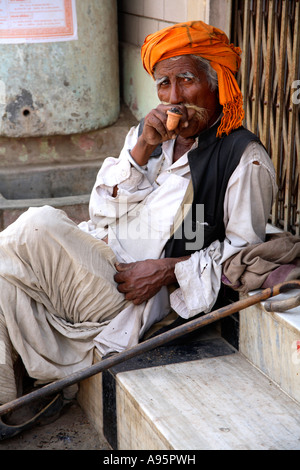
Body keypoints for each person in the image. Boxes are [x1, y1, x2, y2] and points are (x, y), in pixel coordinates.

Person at [0, 21, 277, 405]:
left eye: (186, 79)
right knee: (4, 284)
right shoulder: (152, 135)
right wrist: (142, 149)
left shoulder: (244, 159)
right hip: (97, 257)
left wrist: (167, 271)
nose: (175, 97)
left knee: (36, 224)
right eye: (164, 84)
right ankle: (9, 406)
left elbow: (242, 258)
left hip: (125, 291)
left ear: (217, 83)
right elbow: (99, 213)